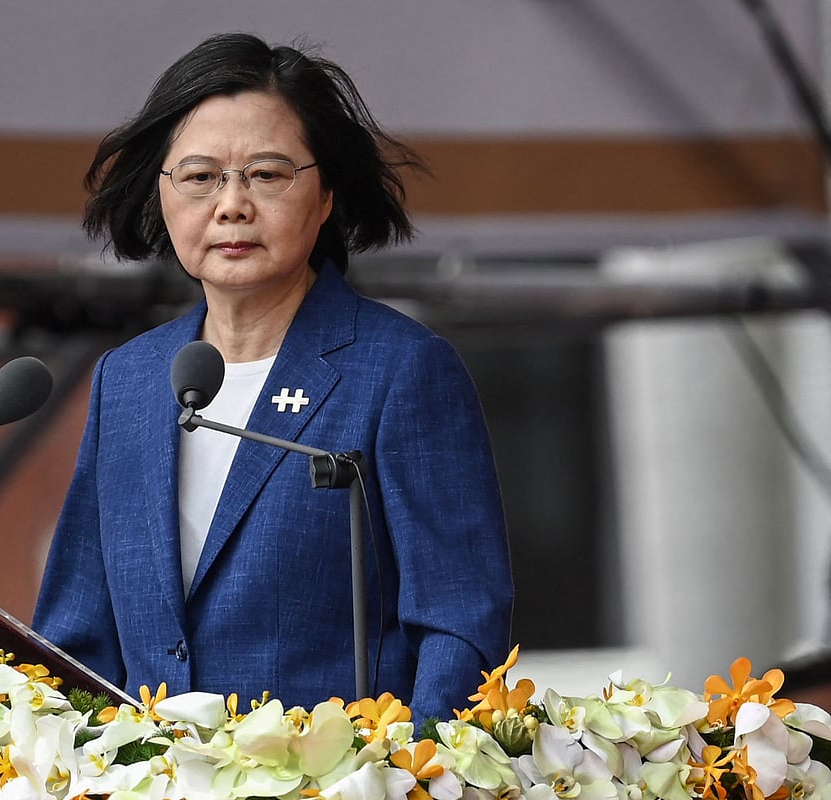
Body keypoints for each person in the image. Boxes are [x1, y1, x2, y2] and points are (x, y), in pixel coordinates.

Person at [33, 32, 513, 723]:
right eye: (200, 177)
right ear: (160, 197)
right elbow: (75, 639)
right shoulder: (130, 381)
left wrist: (412, 773)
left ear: (325, 197)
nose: (231, 205)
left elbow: (460, 624)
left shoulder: (401, 370)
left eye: (266, 174)